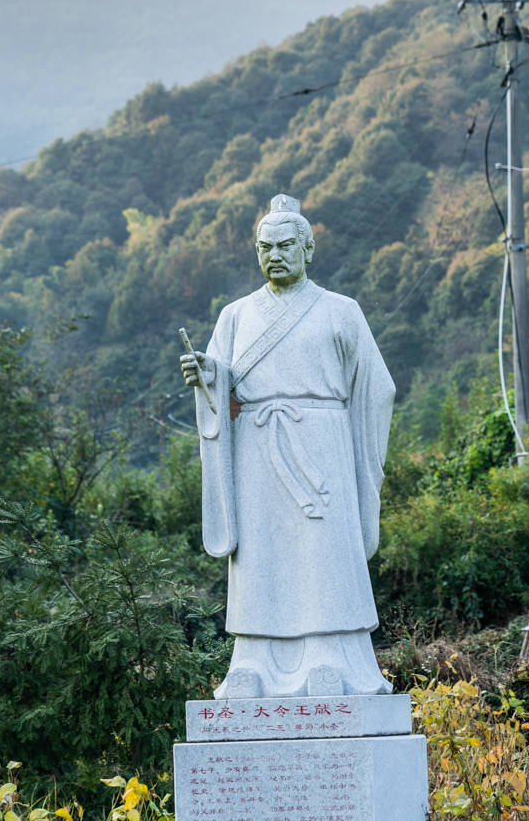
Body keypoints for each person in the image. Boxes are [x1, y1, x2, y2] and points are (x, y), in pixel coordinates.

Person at [180, 194, 395, 699]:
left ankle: (331, 657)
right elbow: (219, 381)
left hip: (321, 446)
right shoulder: (235, 316)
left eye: (284, 245)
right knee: (260, 555)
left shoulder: (342, 312)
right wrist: (206, 376)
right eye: (264, 247)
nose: (274, 255)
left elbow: (376, 387)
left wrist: (351, 443)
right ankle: (252, 663)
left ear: (308, 248)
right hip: (256, 448)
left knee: (322, 554)